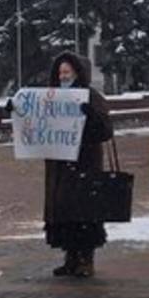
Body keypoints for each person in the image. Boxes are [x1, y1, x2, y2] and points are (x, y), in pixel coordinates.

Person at [42, 52, 115, 279]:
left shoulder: (91, 97)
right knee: (64, 211)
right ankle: (70, 257)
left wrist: (90, 115)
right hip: (60, 166)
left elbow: (105, 131)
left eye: (67, 72)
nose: (63, 77)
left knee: (84, 212)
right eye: (60, 72)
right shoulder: (50, 97)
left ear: (78, 74)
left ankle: (85, 259)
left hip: (84, 164)